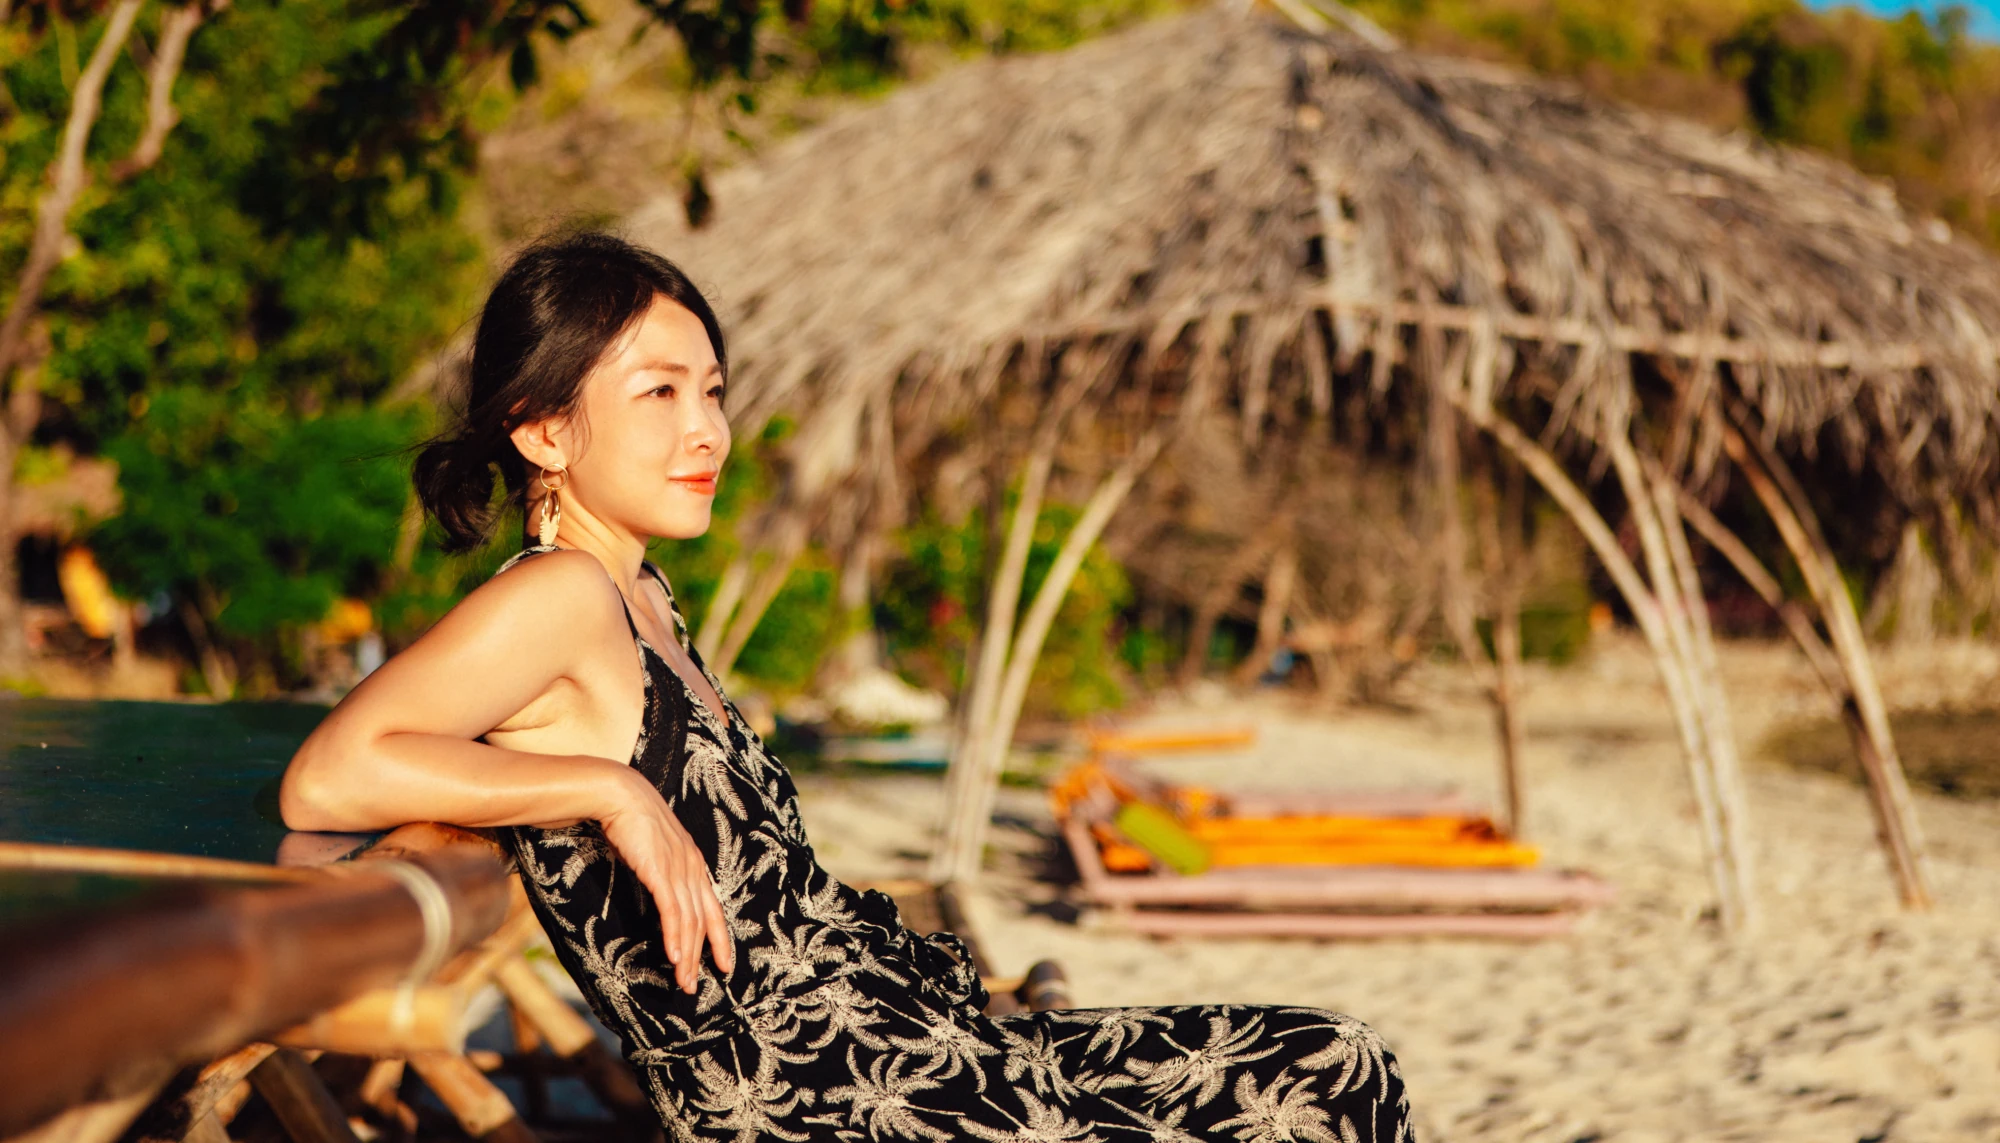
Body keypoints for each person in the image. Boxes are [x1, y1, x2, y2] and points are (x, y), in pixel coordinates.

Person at [280, 230, 1414, 1142]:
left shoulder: (645, 596)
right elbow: (330, 774)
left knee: (1334, 1057)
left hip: (897, 1041)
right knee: (1319, 1088)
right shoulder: (557, 597)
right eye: (659, 395)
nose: (706, 431)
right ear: (542, 430)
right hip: (810, 1096)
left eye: (712, 392)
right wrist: (611, 793)